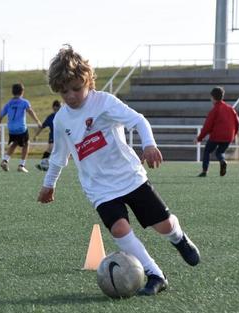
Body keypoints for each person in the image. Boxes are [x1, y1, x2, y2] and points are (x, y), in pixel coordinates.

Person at [37, 45, 200, 296]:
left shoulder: (104, 103)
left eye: (76, 88)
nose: (70, 96)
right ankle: (155, 274)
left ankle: (178, 238)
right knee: (119, 229)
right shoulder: (61, 120)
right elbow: (59, 156)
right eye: (64, 90)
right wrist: (50, 184)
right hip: (99, 188)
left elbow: (138, 120)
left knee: (163, 225)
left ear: (88, 81)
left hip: (130, 177)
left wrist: (149, 145)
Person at [0, 83, 42, 173]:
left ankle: (5, 160)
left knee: (15, 143)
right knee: (27, 143)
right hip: (21, 128)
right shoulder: (24, 102)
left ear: (12, 92)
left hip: (11, 129)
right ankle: (21, 165)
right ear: (22, 92)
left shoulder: (8, 103)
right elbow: (30, 111)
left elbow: (0, 117)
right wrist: (38, 122)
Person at [194, 87, 239, 177]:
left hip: (216, 136)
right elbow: (237, 122)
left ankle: (204, 171)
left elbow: (207, 126)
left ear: (213, 97)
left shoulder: (214, 110)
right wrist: (234, 135)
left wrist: (199, 138)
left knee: (207, 151)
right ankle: (222, 161)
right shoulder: (231, 109)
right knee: (219, 152)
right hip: (229, 136)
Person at [34, 100, 61, 170]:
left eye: (59, 107)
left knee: (58, 152)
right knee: (51, 148)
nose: (57, 109)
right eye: (56, 107)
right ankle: (43, 163)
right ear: (53, 107)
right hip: (53, 136)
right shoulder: (50, 117)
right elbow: (42, 126)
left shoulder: (64, 116)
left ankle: (49, 164)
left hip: (62, 137)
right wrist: (36, 135)